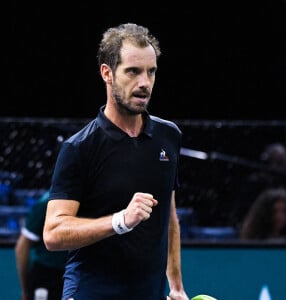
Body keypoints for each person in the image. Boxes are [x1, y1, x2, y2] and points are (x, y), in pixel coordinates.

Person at [43, 23, 189, 300]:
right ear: (107, 73)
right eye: (133, 71)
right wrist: (121, 221)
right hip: (90, 292)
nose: (144, 83)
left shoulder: (168, 136)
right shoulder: (79, 148)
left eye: (151, 71)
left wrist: (177, 286)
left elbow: (168, 218)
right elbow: (53, 233)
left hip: (149, 293)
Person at [15, 191, 68, 300]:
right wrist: (26, 290)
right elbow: (22, 247)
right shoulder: (47, 202)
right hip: (49, 277)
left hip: (81, 277)